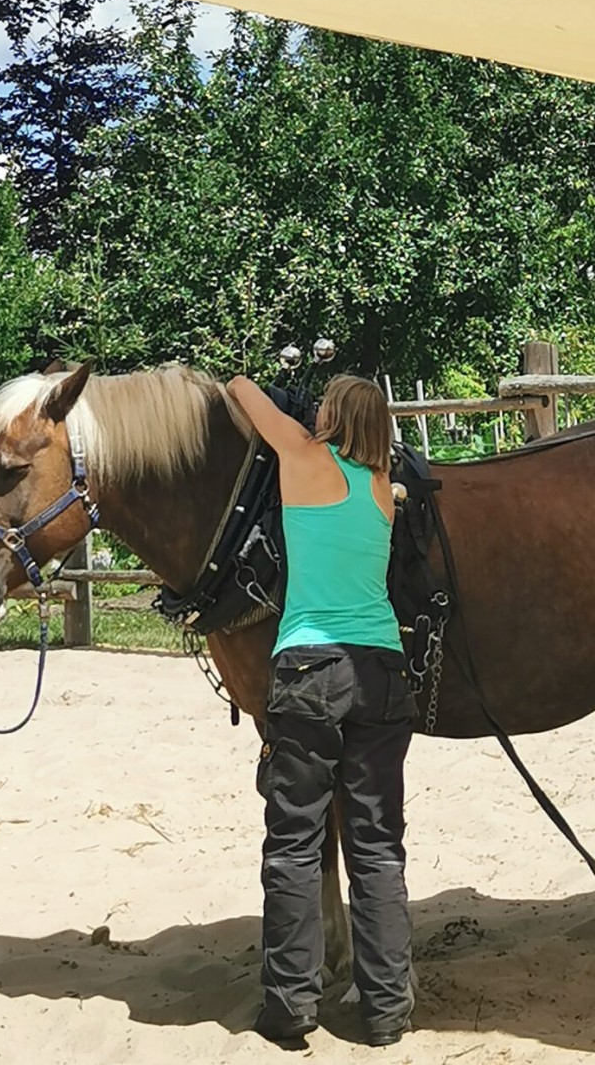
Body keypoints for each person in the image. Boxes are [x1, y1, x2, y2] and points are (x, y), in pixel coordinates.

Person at [225, 372, 416, 1048]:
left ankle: (290, 1006)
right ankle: (389, 1010)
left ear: (332, 413)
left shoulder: (304, 457)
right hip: (383, 673)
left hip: (310, 666)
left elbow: (244, 397)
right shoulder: (380, 489)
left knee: (295, 845)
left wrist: (251, 374)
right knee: (377, 847)